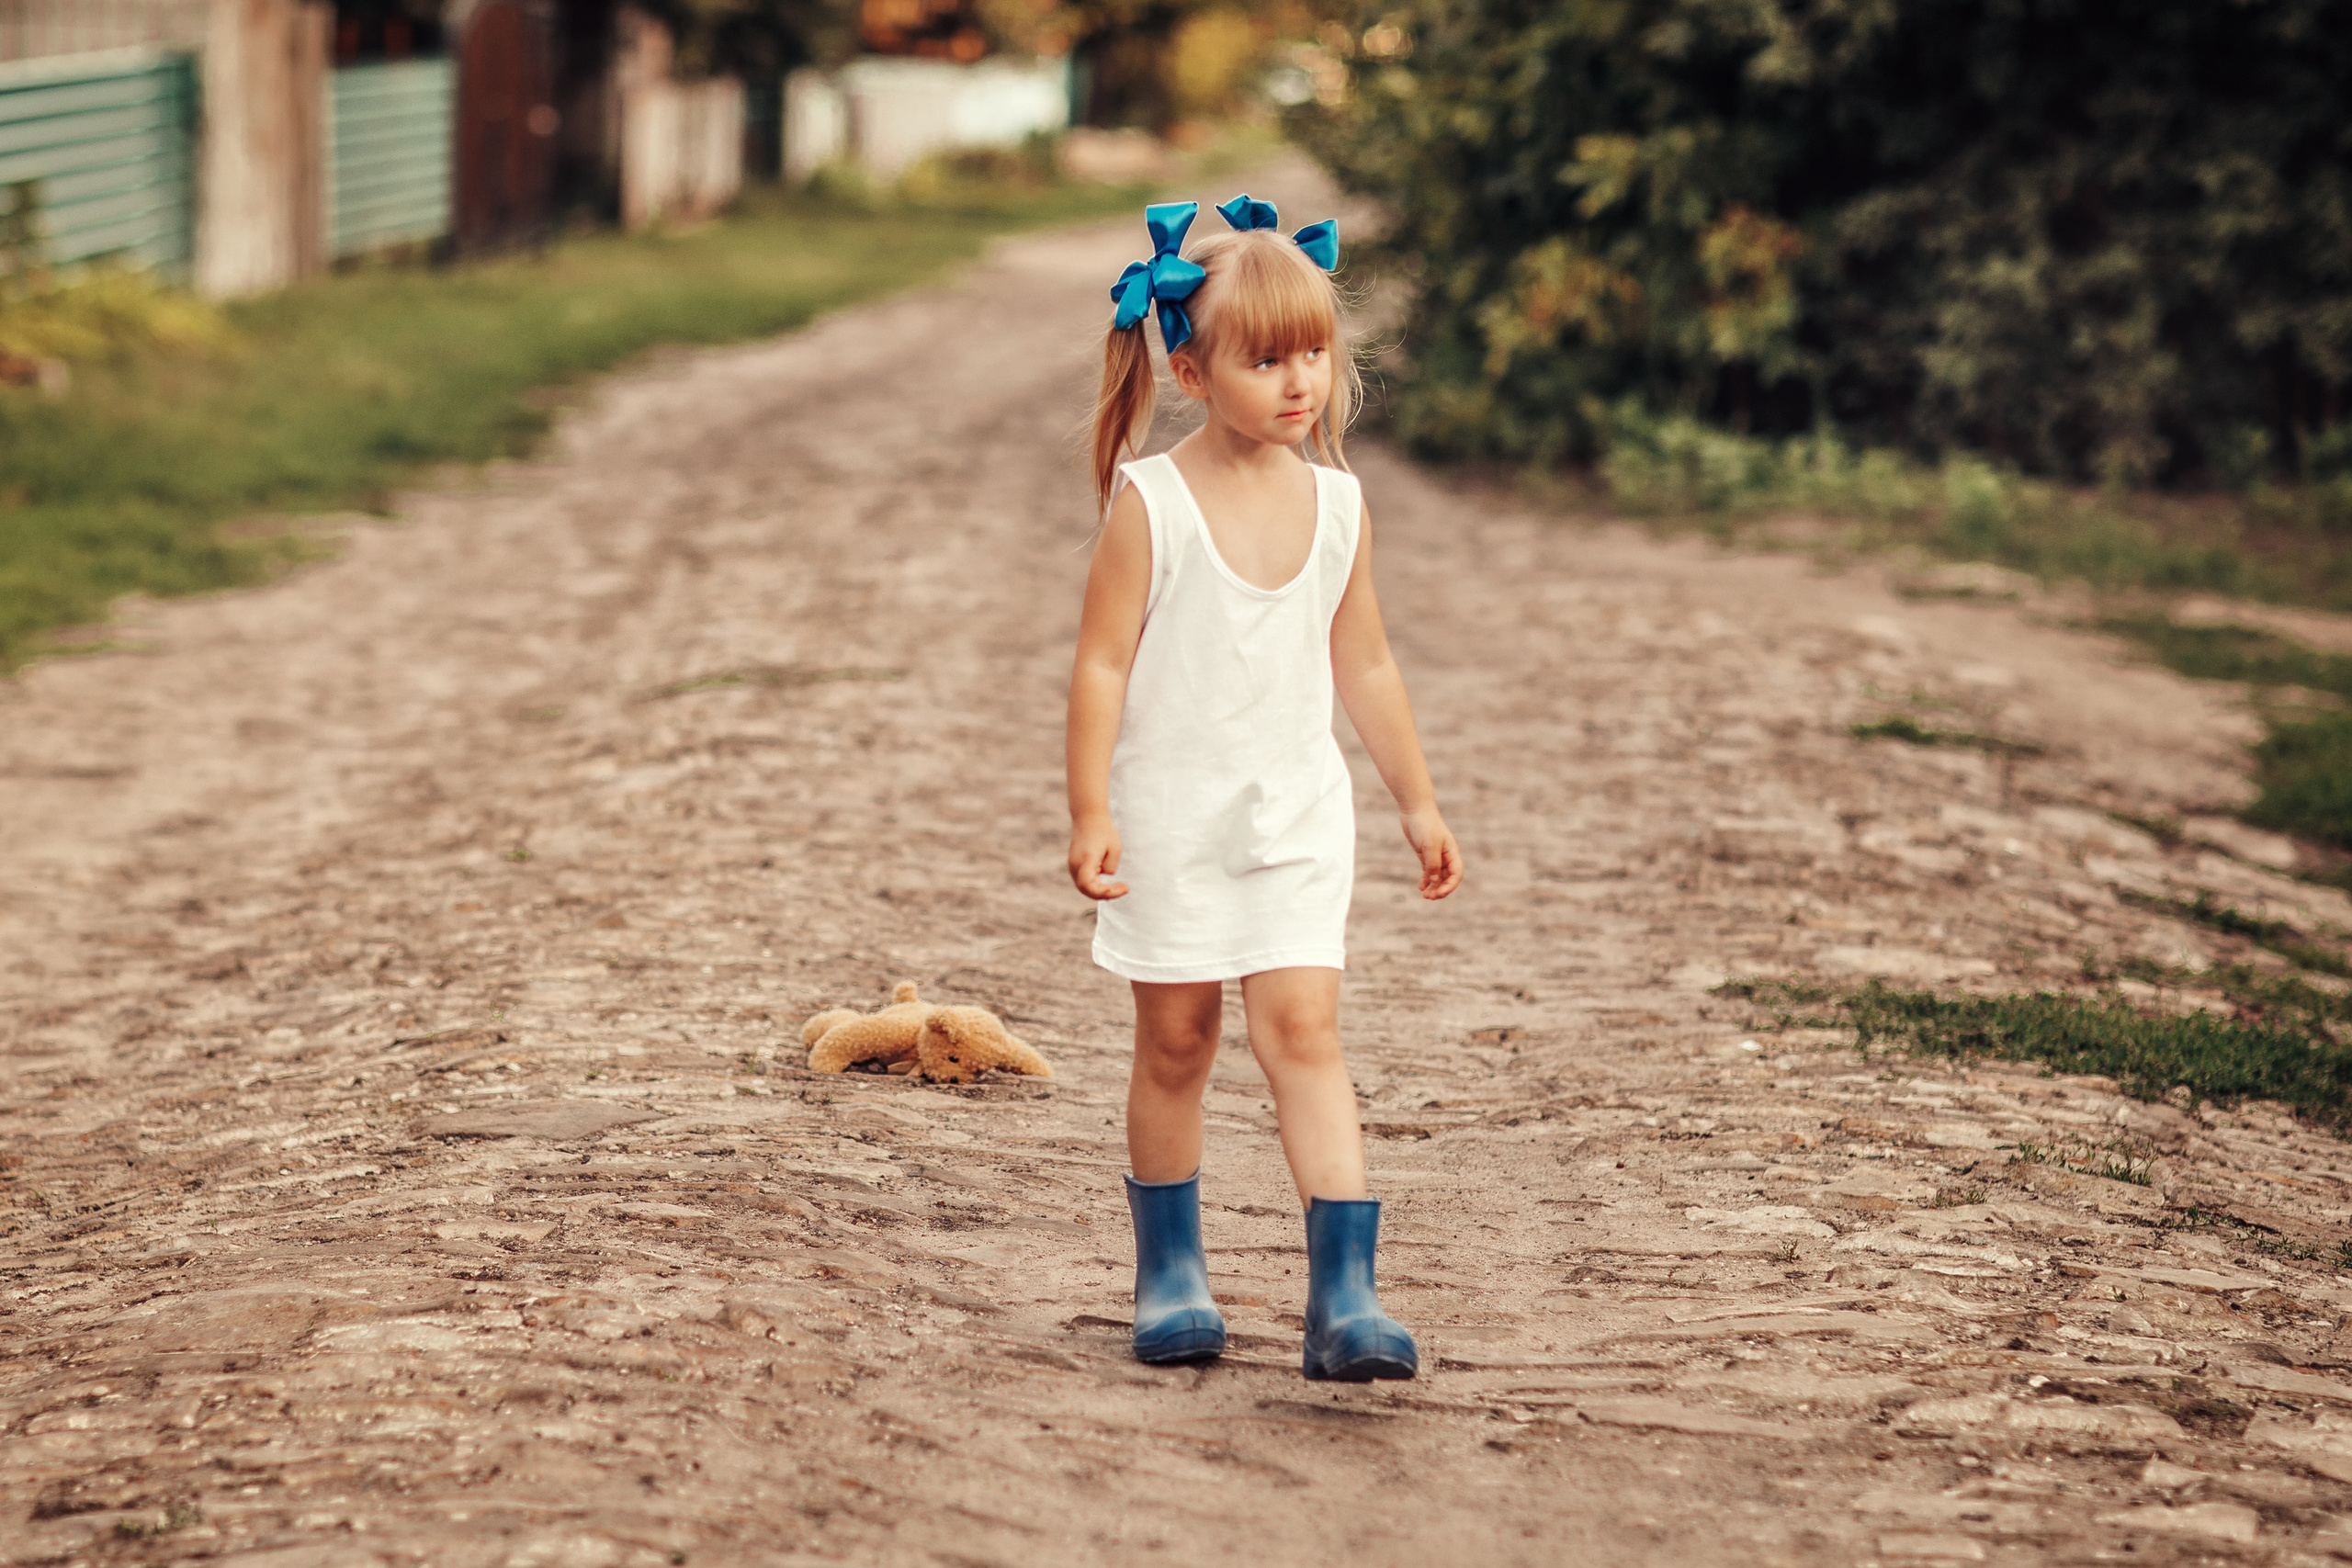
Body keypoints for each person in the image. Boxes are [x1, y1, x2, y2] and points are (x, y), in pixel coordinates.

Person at [1065, 196, 1464, 1382]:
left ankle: (1345, 1298)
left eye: (1314, 353)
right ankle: (1172, 1272)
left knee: (1304, 1033)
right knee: (1178, 1041)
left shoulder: (1338, 505)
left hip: (1295, 821)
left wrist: (1418, 798)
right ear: (1188, 367)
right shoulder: (1154, 504)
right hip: (1175, 825)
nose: (1301, 382)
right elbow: (1099, 665)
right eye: (1266, 358)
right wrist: (1091, 809)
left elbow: (1368, 663)